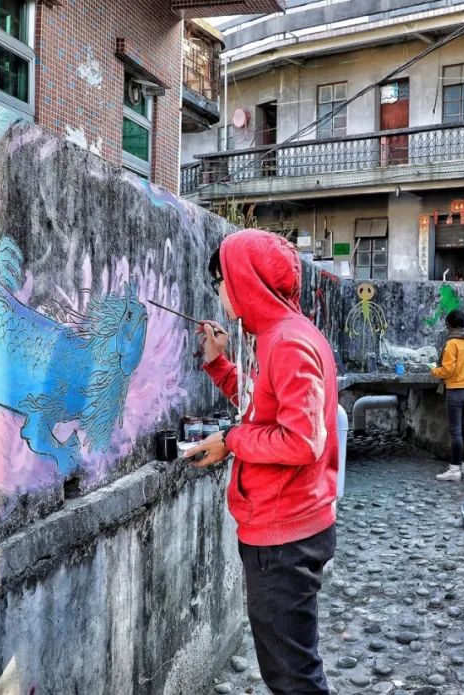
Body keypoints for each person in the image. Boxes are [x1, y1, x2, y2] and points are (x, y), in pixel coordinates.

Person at [184, 229, 339, 695]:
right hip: (281, 525)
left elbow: (300, 440)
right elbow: (261, 408)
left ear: (246, 280)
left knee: (292, 676)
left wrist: (231, 441)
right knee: (287, 666)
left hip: (285, 533)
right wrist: (219, 365)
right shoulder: (273, 335)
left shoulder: (287, 343)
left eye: (222, 280)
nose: (219, 291)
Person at [430, 309, 464, 482]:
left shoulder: (452, 344)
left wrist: (433, 370)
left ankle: (454, 469)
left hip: (456, 392)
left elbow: (447, 370)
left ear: (450, 325)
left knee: (456, 433)